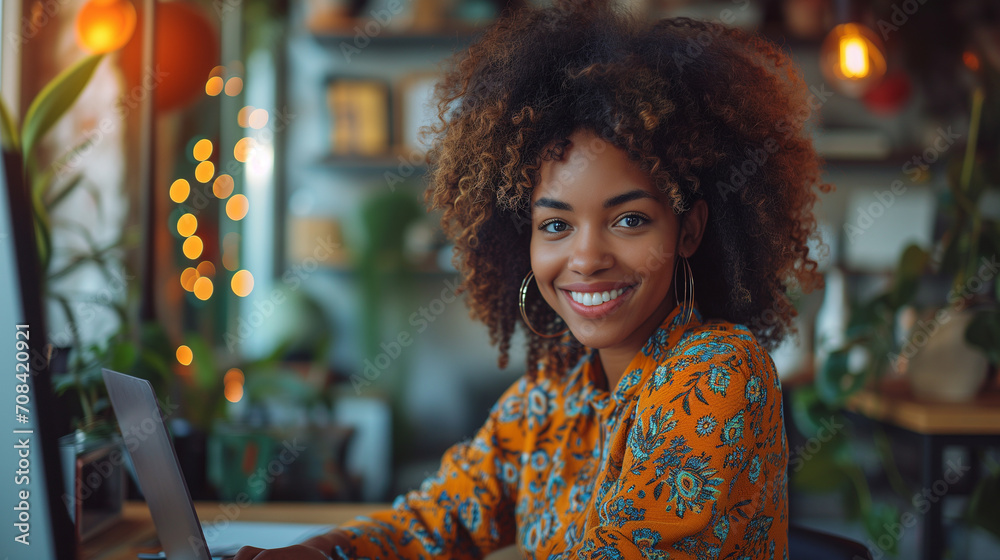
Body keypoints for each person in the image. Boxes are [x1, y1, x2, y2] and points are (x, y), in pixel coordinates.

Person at [234, 0, 829, 557]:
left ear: (689, 231)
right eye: (555, 225)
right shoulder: (551, 393)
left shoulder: (720, 372)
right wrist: (317, 552)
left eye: (629, 219)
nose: (587, 257)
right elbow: (435, 520)